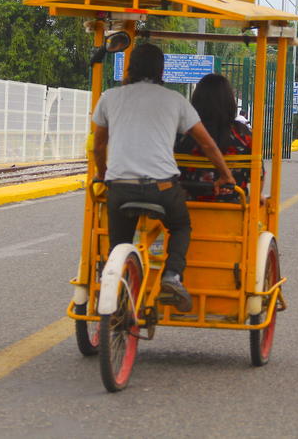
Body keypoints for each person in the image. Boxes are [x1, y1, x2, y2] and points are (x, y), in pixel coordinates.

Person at [92, 43, 236, 313]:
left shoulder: (109, 98)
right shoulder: (175, 100)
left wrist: (103, 176)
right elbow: (207, 145)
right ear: (162, 70)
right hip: (163, 188)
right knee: (180, 226)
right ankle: (171, 276)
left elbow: (98, 146)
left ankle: (117, 282)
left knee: (119, 242)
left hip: (120, 187)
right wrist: (225, 174)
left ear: (130, 68)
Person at [177, 74, 256, 201]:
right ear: (230, 101)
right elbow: (259, 175)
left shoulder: (183, 135)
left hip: (187, 205)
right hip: (234, 204)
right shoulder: (242, 134)